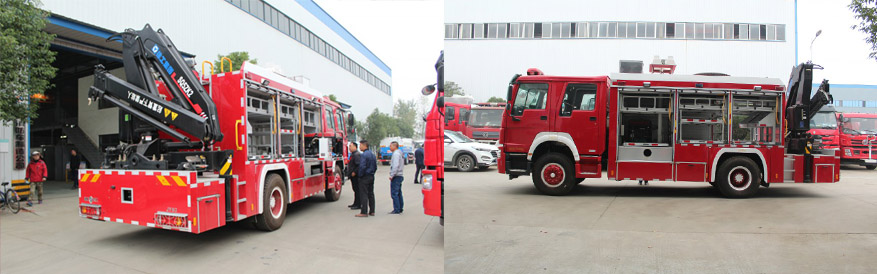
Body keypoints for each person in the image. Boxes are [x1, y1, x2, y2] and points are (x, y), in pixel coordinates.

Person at [355, 140, 377, 217]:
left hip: (364, 177)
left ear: (365, 146)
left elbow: (362, 167)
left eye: (360, 145)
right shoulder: (372, 154)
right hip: (371, 176)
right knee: (371, 193)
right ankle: (372, 211)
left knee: (363, 194)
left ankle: (364, 211)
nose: (359, 147)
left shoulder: (364, 155)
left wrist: (360, 175)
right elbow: (375, 167)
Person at [388, 141, 405, 214]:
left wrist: (392, 175)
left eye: (391, 146)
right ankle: (400, 207)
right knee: (398, 193)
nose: (390, 147)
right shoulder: (399, 153)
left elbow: (395, 165)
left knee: (394, 193)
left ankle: (397, 209)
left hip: (396, 176)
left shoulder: (396, 154)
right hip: (400, 175)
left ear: (395, 146)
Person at [346, 142, 362, 210]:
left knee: (357, 190)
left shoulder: (357, 155)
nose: (349, 148)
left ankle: (358, 204)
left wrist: (354, 172)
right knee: (355, 190)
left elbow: (359, 165)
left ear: (355, 147)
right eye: (349, 146)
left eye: (350, 146)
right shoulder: (353, 154)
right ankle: (355, 203)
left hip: (355, 176)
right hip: (353, 176)